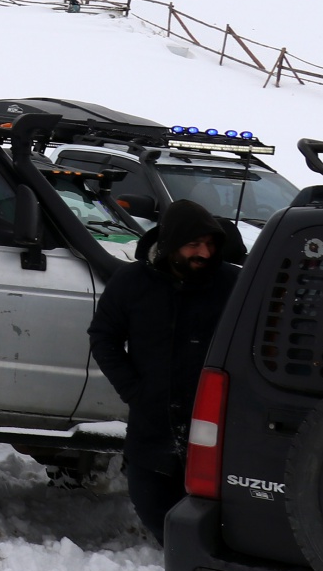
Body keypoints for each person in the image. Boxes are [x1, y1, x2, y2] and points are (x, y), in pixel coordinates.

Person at [89, 199, 240, 543]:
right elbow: (103, 338)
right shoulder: (132, 282)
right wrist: (134, 391)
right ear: (171, 244)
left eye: (211, 243)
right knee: (154, 510)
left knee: (215, 522)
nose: (205, 252)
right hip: (152, 426)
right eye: (194, 244)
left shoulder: (232, 283)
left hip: (215, 427)